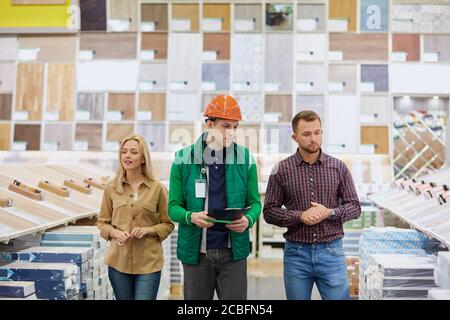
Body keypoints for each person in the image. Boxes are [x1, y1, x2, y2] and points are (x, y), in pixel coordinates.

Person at [168, 95, 262, 300]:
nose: (231, 133)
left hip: (233, 254)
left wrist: (248, 220)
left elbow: (255, 203)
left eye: (235, 127)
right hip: (196, 254)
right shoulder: (183, 159)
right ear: (209, 125)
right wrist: (190, 217)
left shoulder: (245, 159)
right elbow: (173, 207)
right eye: (225, 126)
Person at [263, 110, 361, 300]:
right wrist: (300, 216)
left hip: (332, 252)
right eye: (306, 134)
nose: (313, 138)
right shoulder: (281, 170)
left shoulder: (338, 168)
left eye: (317, 132)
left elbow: (355, 207)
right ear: (295, 137)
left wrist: (329, 212)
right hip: (296, 254)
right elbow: (269, 211)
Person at [97, 134, 174, 300]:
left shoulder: (157, 189)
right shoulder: (111, 188)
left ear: (143, 158)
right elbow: (102, 223)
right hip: (119, 262)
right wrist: (115, 233)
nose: (127, 156)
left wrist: (149, 230)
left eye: (133, 152)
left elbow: (168, 224)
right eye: (124, 152)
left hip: (149, 263)